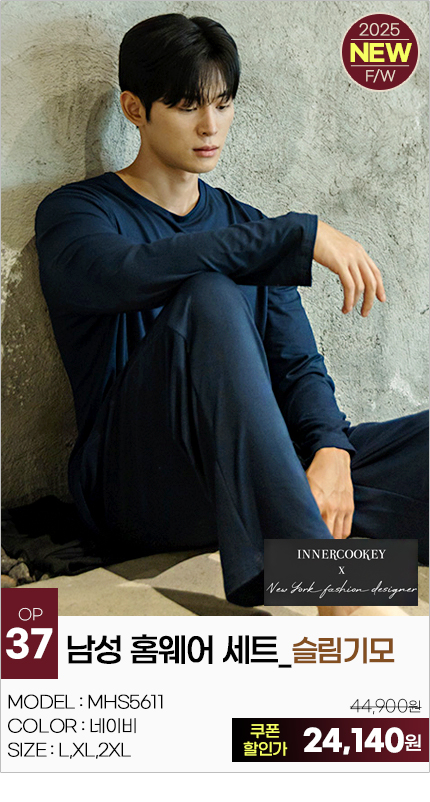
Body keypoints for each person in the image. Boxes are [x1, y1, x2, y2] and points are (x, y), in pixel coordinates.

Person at [35, 13, 428, 615]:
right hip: (138, 484)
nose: (210, 126)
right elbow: (124, 272)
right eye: (187, 106)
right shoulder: (76, 213)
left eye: (223, 105)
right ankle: (329, 583)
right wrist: (294, 235)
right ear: (135, 109)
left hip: (250, 469)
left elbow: (297, 365)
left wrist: (332, 453)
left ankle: (314, 535)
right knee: (210, 295)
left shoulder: (247, 225)